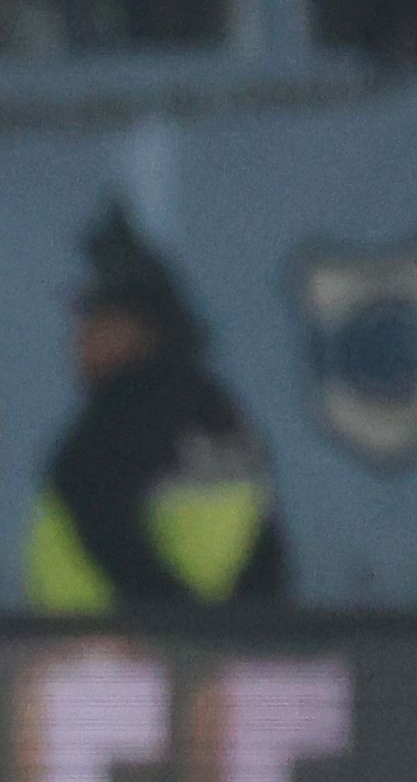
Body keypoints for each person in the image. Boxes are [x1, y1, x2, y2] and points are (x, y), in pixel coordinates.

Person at [26, 205, 287, 612]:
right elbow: (264, 545)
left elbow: (105, 528)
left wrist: (172, 625)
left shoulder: (118, 419)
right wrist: (240, 633)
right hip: (208, 640)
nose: (79, 342)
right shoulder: (219, 412)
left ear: (138, 330)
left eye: (95, 323)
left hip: (101, 640)